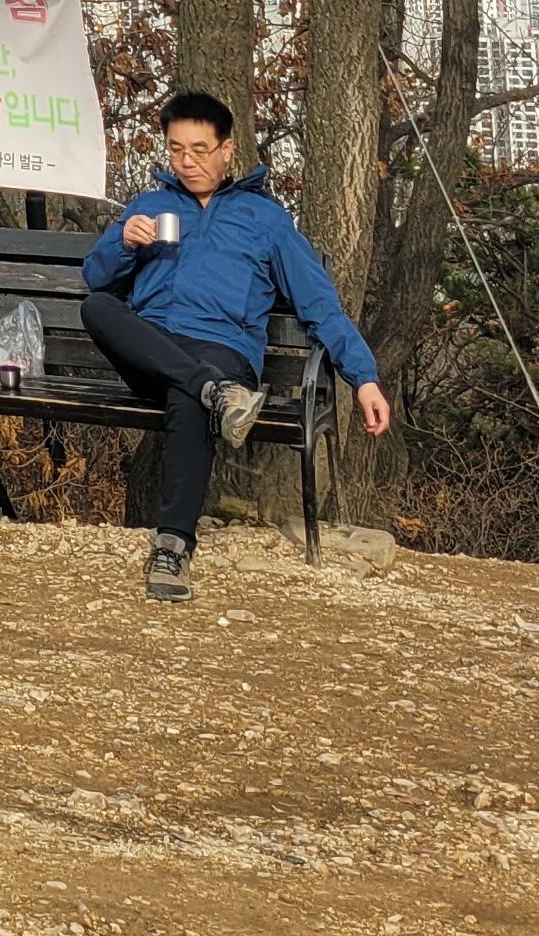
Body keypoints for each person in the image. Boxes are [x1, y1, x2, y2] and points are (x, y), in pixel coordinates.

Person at [79, 90, 391, 603]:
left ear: (227, 149)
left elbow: (319, 304)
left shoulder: (264, 220)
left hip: (223, 350)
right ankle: (214, 393)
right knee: (97, 309)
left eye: (199, 149)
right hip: (156, 350)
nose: (187, 161)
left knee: (189, 397)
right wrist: (123, 242)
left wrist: (364, 378)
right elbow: (96, 278)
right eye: (176, 149)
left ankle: (172, 546)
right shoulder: (149, 207)